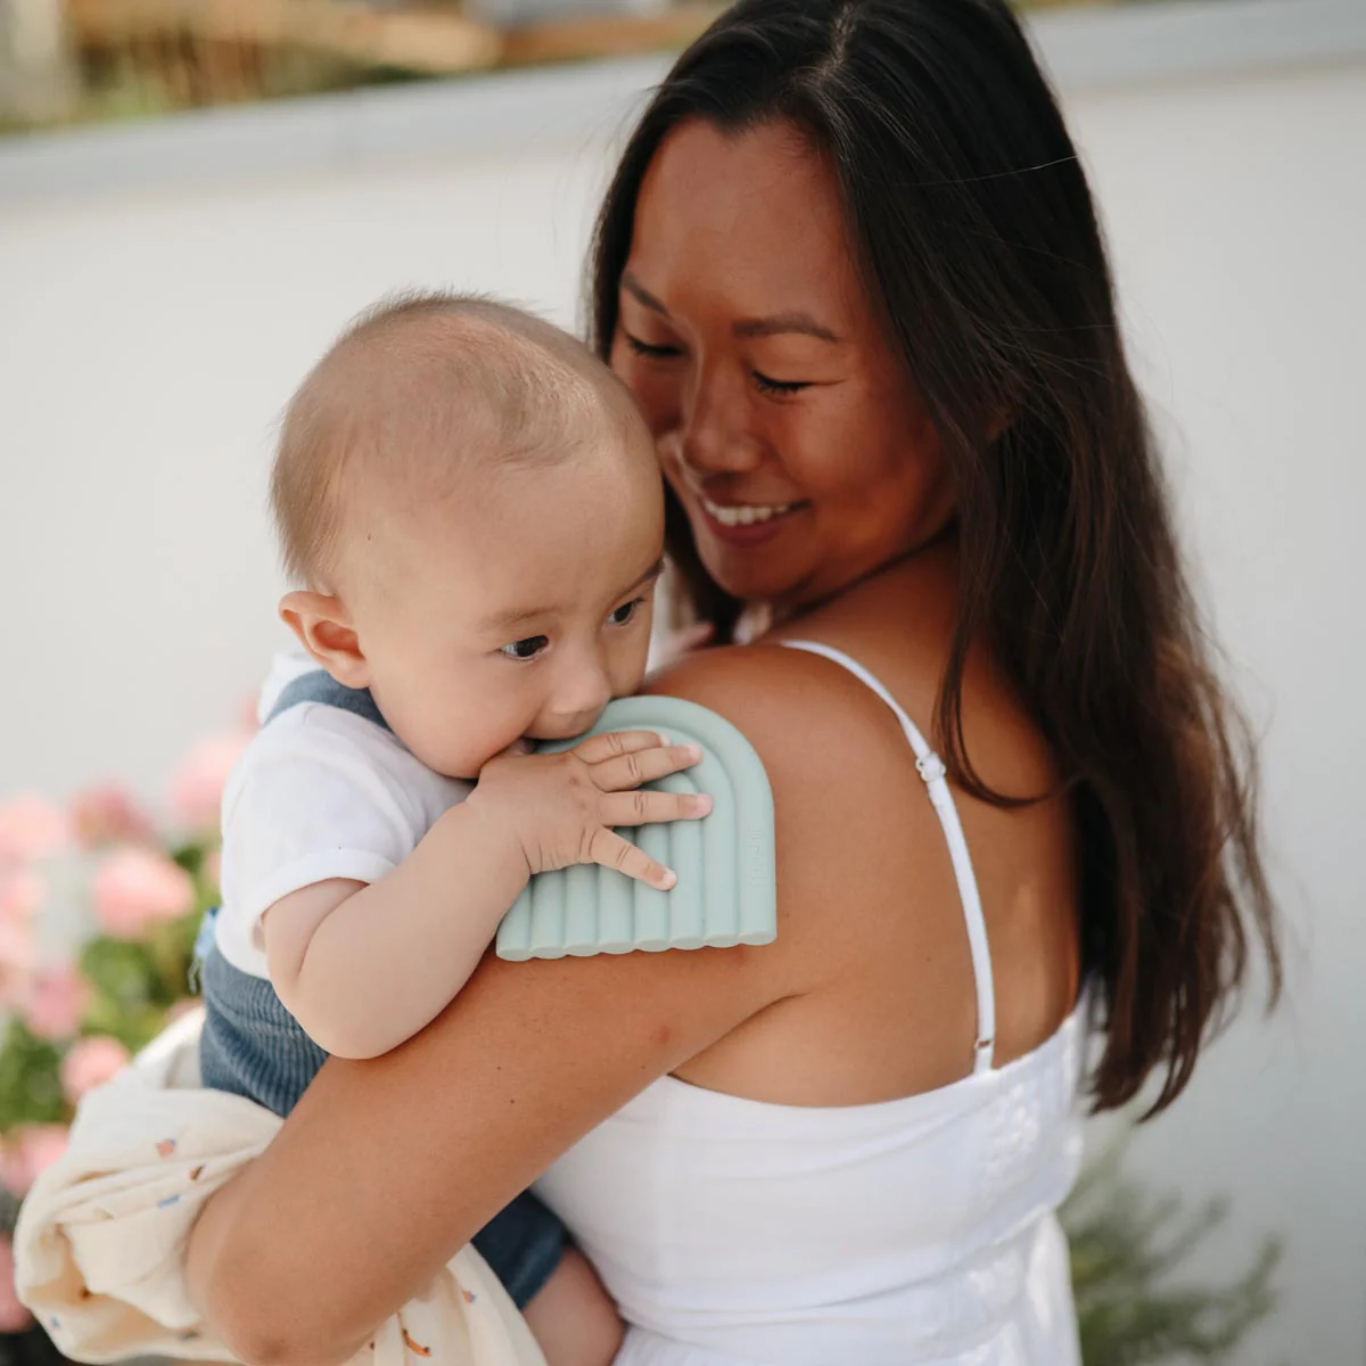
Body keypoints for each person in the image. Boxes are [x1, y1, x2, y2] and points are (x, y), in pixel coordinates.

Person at [184, 3, 1281, 1363]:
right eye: (651, 343)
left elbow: (266, 1290)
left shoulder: (713, 774)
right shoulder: (1043, 682)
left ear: (989, 374)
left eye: (782, 372)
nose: (697, 437)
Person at [198, 293, 712, 1365]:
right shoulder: (318, 773)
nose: (588, 687)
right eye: (526, 645)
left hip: (441, 1130)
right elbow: (345, 1004)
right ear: (344, 640)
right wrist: (498, 837)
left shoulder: (485, 683)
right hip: (307, 1156)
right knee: (581, 1335)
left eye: (625, 610)